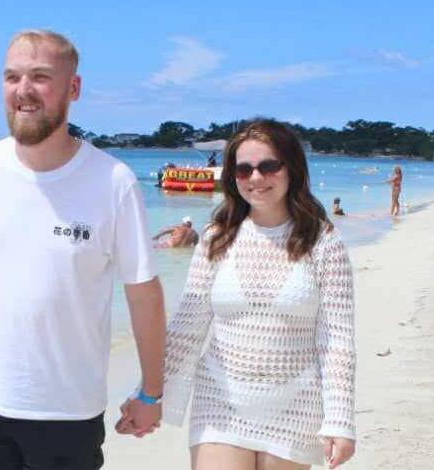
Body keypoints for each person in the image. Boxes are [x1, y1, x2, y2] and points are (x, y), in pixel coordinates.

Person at [0, 30, 166, 470]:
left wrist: (152, 391)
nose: (23, 90)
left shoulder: (113, 182)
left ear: (74, 88)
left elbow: (143, 293)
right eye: (12, 77)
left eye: (40, 77)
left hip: (69, 413)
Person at [122, 120, 356, 469]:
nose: (256, 178)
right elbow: (189, 325)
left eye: (268, 166)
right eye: (243, 169)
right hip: (220, 402)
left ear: (291, 167)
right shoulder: (218, 237)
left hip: (294, 406)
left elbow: (335, 339)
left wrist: (340, 419)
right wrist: (149, 394)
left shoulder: (323, 242)